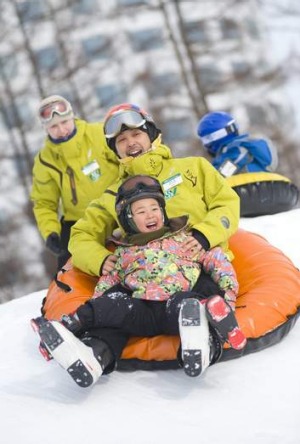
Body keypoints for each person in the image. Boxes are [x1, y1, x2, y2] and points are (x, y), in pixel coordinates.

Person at [31, 175, 246, 387]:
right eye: (141, 212)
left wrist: (227, 295)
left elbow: (216, 260)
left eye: (155, 208)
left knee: (188, 304)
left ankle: (202, 345)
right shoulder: (123, 253)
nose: (150, 215)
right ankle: (87, 352)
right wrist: (99, 308)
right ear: (129, 220)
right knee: (112, 304)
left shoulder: (183, 238)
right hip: (141, 310)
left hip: (175, 307)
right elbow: (107, 284)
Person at [30, 95, 119, 269]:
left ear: (73, 117)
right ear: (45, 128)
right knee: (68, 265)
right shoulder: (45, 161)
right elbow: (44, 203)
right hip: (80, 220)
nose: (61, 130)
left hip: (117, 207)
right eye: (54, 126)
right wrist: (50, 231)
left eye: (65, 122)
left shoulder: (99, 134)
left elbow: (126, 163)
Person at [197, 111, 278, 178]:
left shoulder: (235, 148)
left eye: (206, 139)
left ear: (216, 136)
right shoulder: (247, 142)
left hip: (250, 190)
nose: (206, 145)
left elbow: (222, 175)